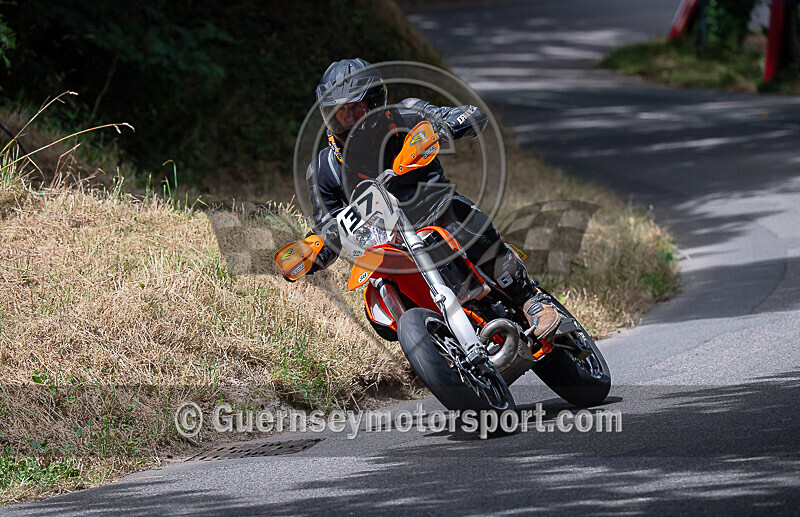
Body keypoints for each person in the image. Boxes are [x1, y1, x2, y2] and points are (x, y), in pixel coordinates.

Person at [303, 58, 560, 340]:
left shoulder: (407, 115)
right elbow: (325, 225)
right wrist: (312, 252)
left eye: (356, 109)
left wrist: (445, 126)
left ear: (375, 103)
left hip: (436, 213)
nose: (348, 120)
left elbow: (472, 114)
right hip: (388, 244)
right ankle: (434, 348)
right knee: (376, 296)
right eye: (339, 113)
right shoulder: (323, 169)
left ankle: (531, 299)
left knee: (458, 221)